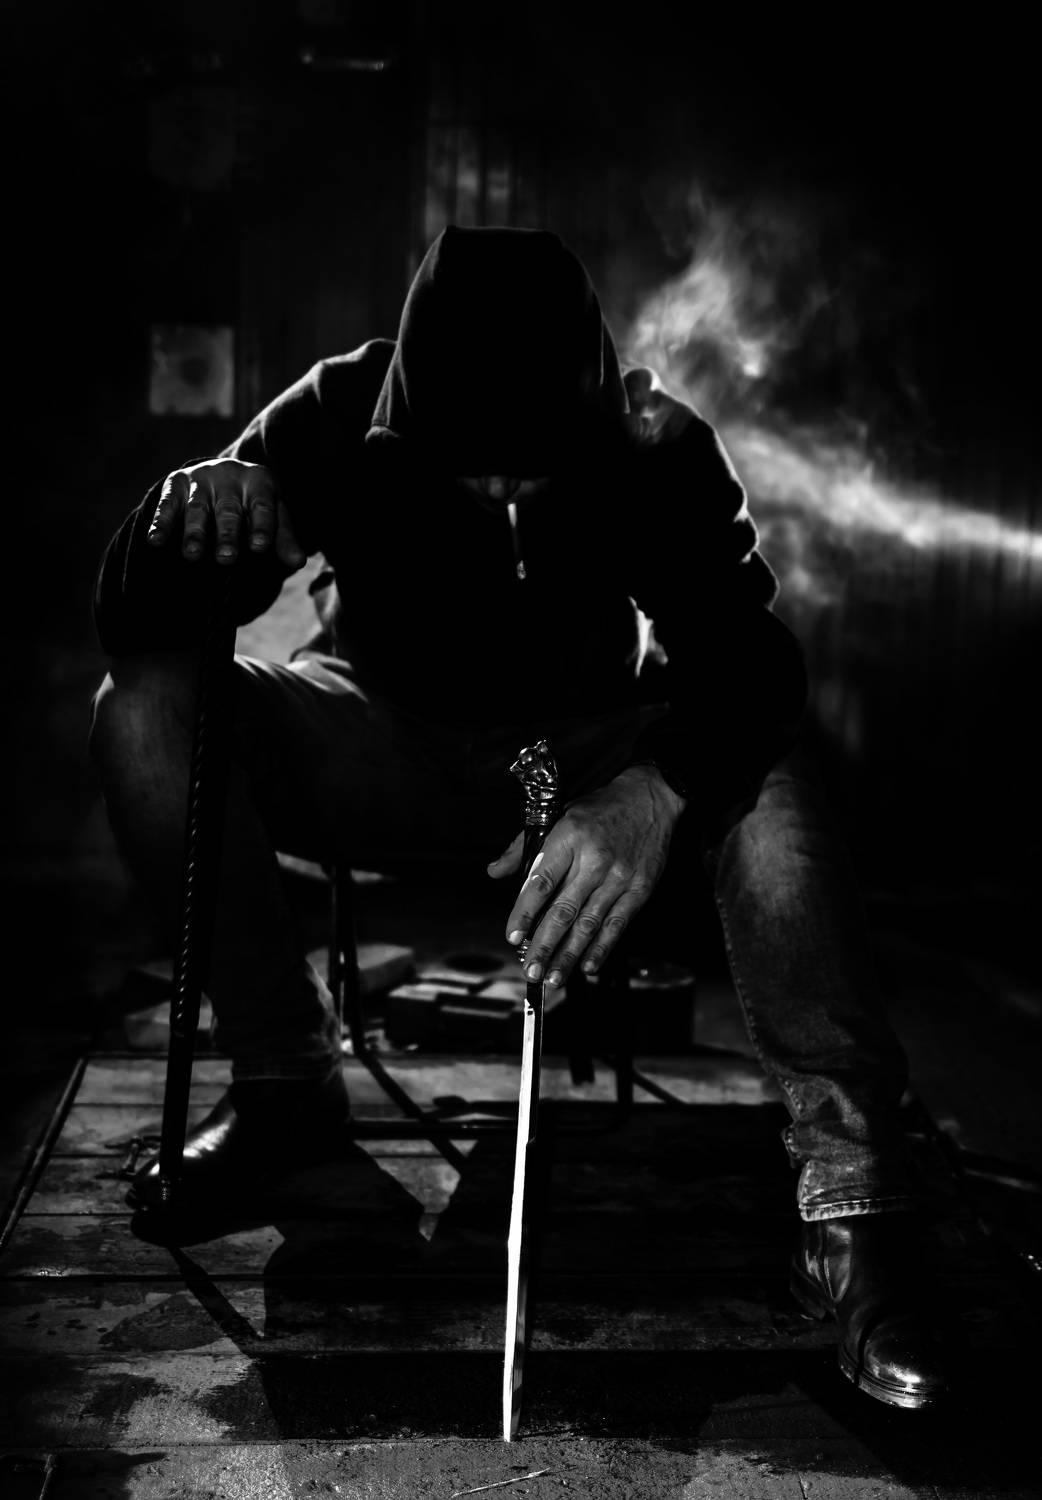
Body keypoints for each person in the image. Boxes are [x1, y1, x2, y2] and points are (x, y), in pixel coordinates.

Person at [90, 225, 948, 1408]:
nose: (498, 490)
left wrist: (653, 788)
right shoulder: (335, 410)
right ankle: (285, 1084)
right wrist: (178, 518)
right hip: (381, 733)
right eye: (467, 466)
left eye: (530, 469)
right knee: (144, 713)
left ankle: (852, 1206)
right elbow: (143, 633)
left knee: (766, 763)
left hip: (582, 750)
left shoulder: (653, 443)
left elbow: (751, 665)